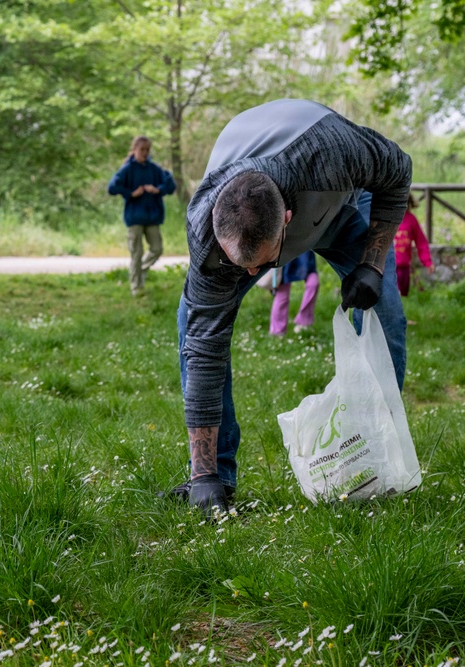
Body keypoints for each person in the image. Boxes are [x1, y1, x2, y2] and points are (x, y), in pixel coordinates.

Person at [170, 99, 412, 513]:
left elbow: (398, 171)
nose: (251, 275)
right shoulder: (208, 238)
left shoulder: (336, 154)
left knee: (384, 310)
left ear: (286, 219)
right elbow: (204, 350)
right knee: (190, 326)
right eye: (238, 264)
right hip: (275, 201)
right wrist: (202, 473)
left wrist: (371, 265)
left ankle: (374, 457)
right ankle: (215, 477)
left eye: (262, 264)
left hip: (337, 203)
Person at [107, 136, 176, 297]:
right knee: (136, 253)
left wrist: (158, 189)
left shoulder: (154, 169)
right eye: (142, 149)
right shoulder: (127, 169)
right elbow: (112, 187)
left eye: (147, 150)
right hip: (135, 218)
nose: (145, 153)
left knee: (157, 249)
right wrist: (130, 193)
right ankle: (136, 287)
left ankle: (140, 271)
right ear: (135, 149)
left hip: (152, 217)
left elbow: (171, 185)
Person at [269, 251, 319, 336]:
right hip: (286, 252)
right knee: (282, 295)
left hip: (305, 251)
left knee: (313, 283)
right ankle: (277, 331)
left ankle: (304, 321)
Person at [394, 195, 435, 297]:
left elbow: (421, 243)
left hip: (404, 268)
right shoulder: (386, 219)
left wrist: (428, 262)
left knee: (403, 297)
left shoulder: (411, 220)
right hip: (387, 267)